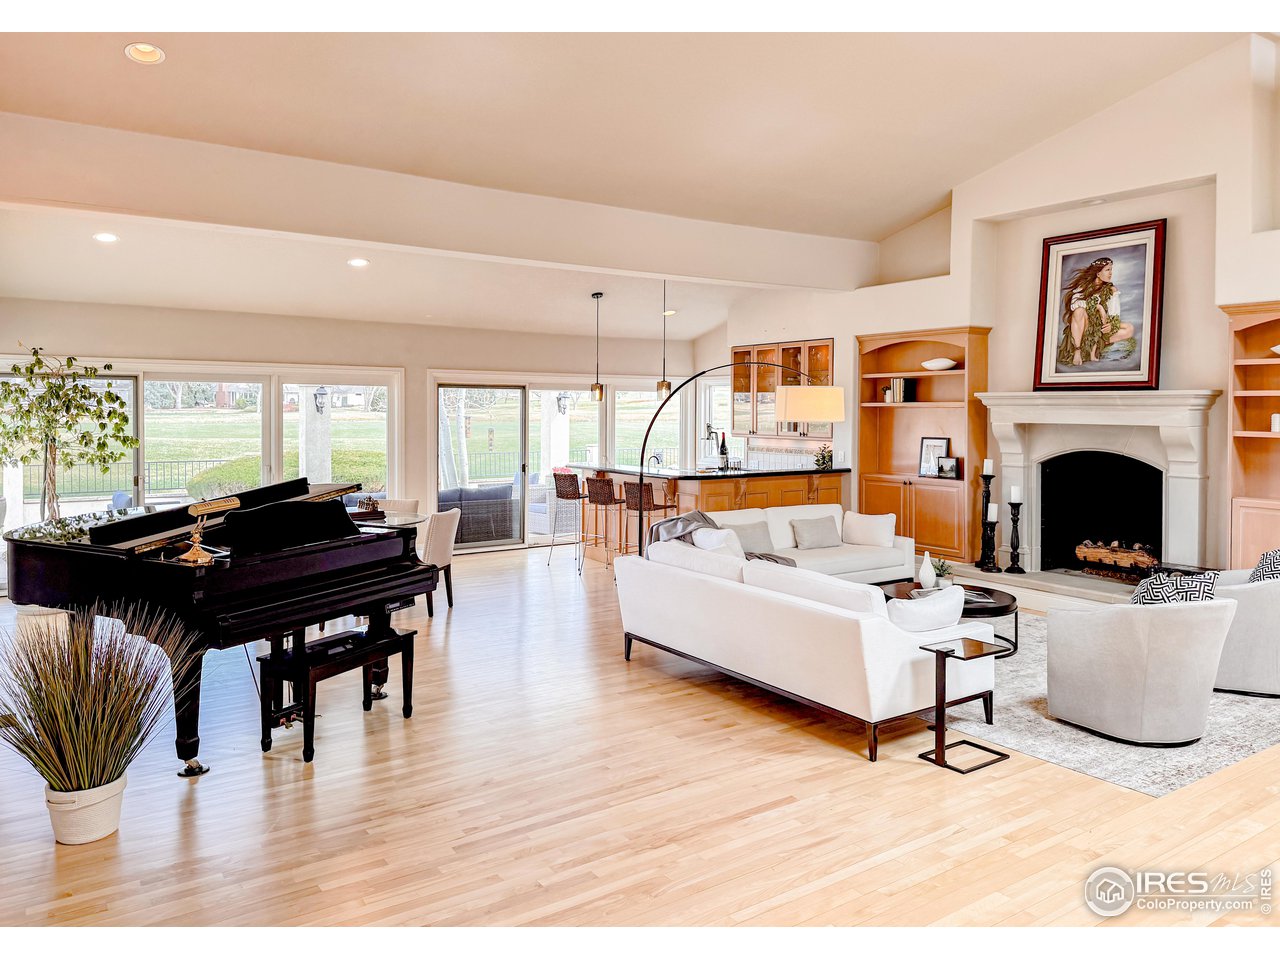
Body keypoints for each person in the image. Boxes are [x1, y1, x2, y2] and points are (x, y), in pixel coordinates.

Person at [1056, 257, 1136, 366]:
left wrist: (1111, 325)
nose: (1110, 273)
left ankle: (1097, 344)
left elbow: (1113, 314)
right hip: (1084, 327)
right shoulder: (1083, 287)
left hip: (1101, 327)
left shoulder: (1111, 289)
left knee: (1129, 328)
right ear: (1098, 273)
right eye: (1107, 270)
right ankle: (1078, 350)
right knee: (1079, 311)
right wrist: (1099, 307)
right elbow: (1074, 305)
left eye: (1111, 269)